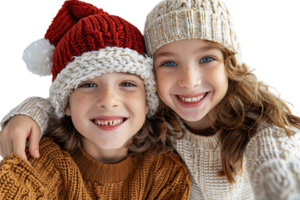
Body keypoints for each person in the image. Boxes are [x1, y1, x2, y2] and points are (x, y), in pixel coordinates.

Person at [1, 0, 300, 199]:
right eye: (169, 63)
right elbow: (67, 108)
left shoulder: (259, 127)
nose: (189, 80)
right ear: (152, 83)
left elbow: (277, 162)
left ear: (231, 65)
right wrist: (29, 112)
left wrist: (280, 181)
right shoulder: (157, 120)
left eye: (207, 58)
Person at [0, 0, 191, 199]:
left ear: (147, 101)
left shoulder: (165, 174)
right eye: (88, 85)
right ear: (66, 104)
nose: (108, 101)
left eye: (127, 84)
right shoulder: (42, 162)